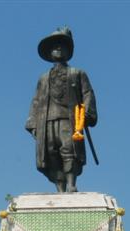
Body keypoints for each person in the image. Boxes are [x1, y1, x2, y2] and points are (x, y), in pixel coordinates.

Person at [26, 26, 97, 193]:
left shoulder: (77, 73)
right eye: (54, 46)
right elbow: (36, 100)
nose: (57, 49)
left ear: (68, 50)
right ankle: (60, 187)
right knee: (51, 152)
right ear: (50, 53)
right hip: (47, 119)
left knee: (69, 149)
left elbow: (87, 93)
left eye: (61, 45)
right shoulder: (43, 78)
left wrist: (86, 113)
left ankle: (71, 184)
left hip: (69, 118)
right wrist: (32, 121)